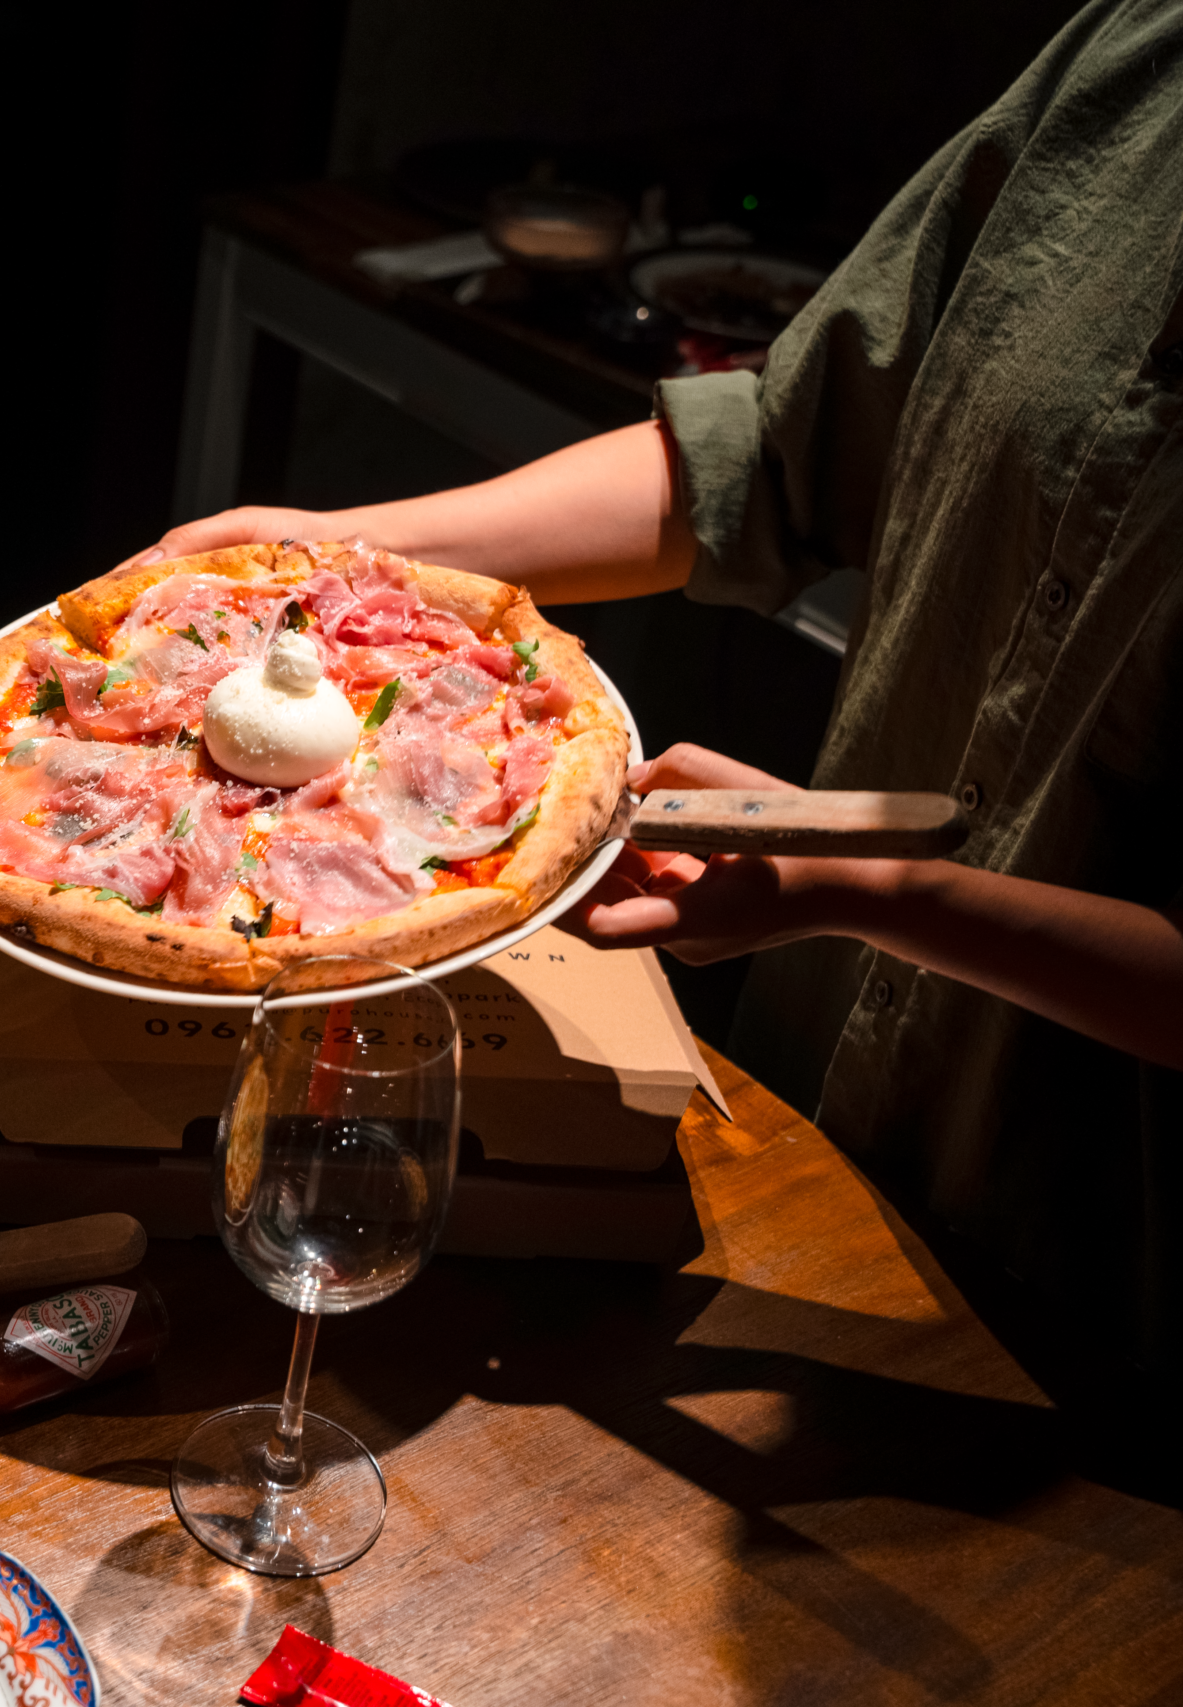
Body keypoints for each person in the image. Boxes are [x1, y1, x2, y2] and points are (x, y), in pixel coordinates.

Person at [133, 0, 1180, 1386]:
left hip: (1113, 1276)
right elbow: (779, 450)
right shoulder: (1136, 55)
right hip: (805, 1094)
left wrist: (870, 893)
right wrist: (342, 555)